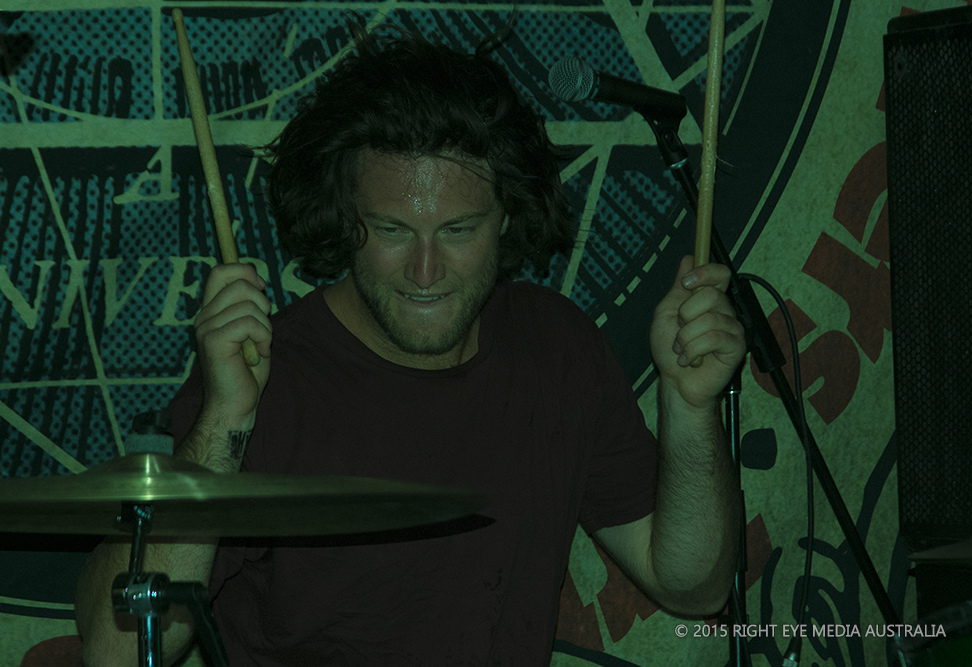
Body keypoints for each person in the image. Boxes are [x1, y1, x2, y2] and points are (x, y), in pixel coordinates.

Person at [75, 20, 745, 667]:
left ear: (507, 214)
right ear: (345, 215)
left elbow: (695, 587)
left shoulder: (558, 348)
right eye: (393, 230)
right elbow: (115, 652)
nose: (425, 272)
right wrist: (224, 420)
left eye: (458, 231)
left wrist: (690, 407)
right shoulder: (262, 378)